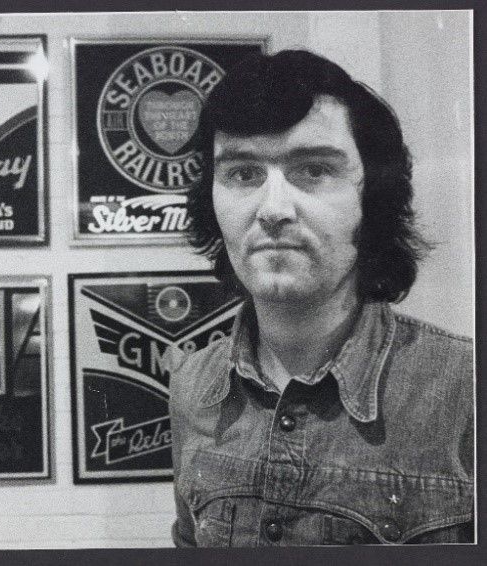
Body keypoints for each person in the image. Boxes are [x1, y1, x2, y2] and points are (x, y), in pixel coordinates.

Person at [169, 49, 474, 546]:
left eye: (313, 170)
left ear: (370, 199)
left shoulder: (466, 390)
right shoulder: (191, 386)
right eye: (244, 174)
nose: (273, 209)